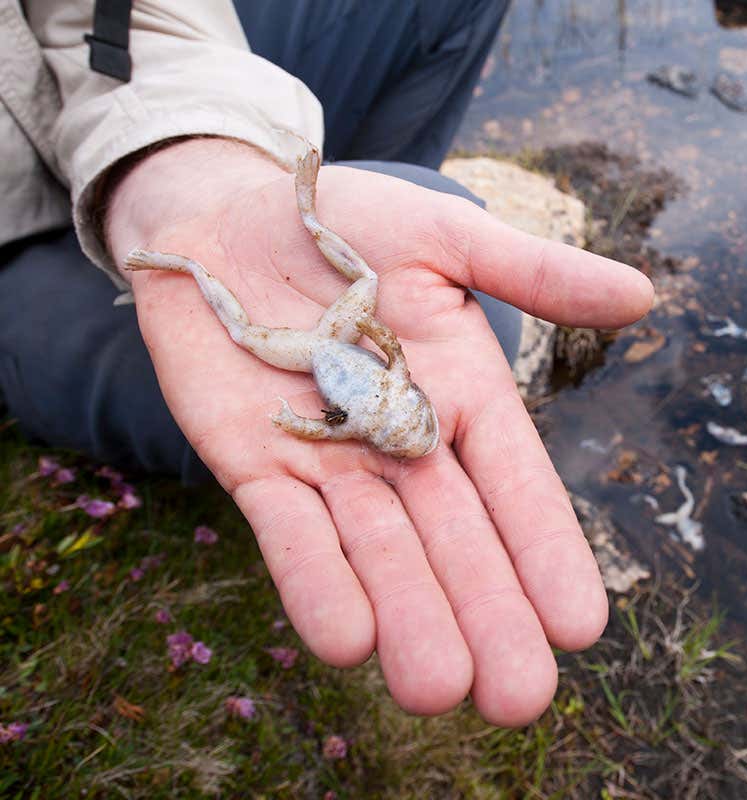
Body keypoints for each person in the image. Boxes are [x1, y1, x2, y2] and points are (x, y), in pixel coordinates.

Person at [0, 1, 653, 727]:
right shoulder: (371, 410)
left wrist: (179, 164)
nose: (410, 430)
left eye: (409, 431)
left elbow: (368, 380)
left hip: (314, 334)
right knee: (244, 332)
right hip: (22, 241)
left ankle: (300, 203)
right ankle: (184, 265)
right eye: (410, 427)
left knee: (390, 290)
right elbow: (367, 382)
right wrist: (316, 406)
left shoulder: (375, 413)